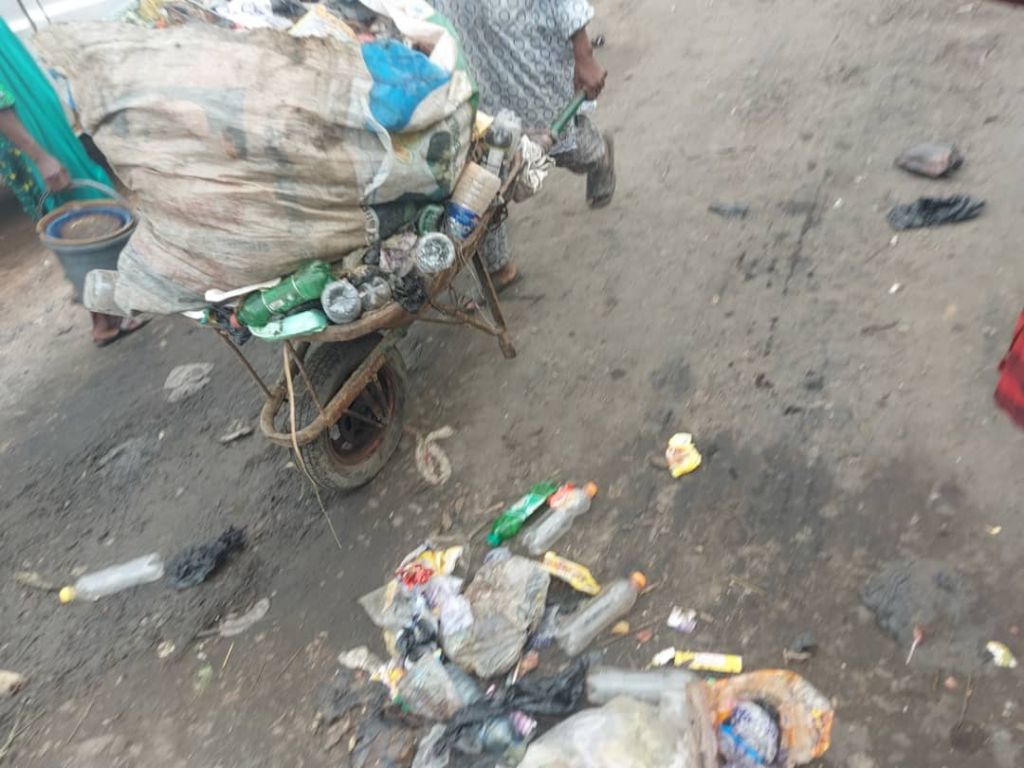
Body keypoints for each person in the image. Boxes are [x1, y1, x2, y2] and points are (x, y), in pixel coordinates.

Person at [432, 0, 615, 289]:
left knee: (559, 145)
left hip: (527, 62)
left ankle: (598, 155)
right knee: (481, 166)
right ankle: (499, 267)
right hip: (471, 69)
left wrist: (585, 55)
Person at [0, 19, 146, 346]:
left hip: (35, 122)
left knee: (76, 206)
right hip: (31, 134)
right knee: (77, 208)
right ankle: (106, 315)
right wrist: (39, 155)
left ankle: (109, 314)